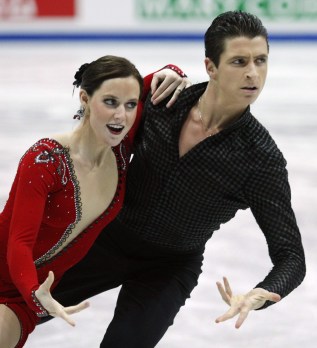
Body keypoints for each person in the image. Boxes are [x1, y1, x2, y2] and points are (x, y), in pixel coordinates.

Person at [46, 10, 306, 348]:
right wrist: (157, 76)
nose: (253, 74)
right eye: (239, 61)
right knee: (15, 305)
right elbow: (95, 108)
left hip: (169, 268)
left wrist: (262, 294)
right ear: (211, 66)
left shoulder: (260, 159)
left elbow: (291, 256)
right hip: (106, 240)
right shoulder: (163, 101)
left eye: (261, 61)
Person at [0, 54, 188, 348]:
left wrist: (172, 71)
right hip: (17, 278)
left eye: (129, 106)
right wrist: (35, 292)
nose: (121, 116)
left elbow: (143, 86)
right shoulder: (45, 160)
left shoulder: (120, 147)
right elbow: (19, 242)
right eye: (110, 102)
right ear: (85, 99)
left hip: (19, 299)